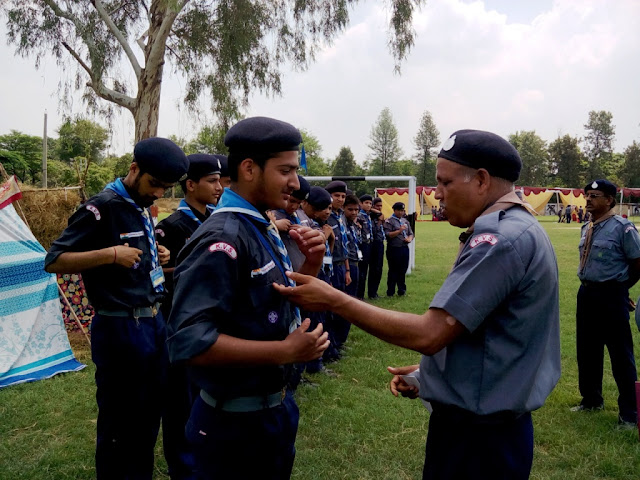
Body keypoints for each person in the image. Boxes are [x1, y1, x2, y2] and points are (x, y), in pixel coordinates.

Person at [275, 129, 561, 480]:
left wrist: (333, 299)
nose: (437, 193)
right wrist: (434, 374)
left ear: (482, 180)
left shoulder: (499, 239)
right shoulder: (518, 228)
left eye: (445, 182)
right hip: (488, 427)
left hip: (479, 437)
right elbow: (492, 334)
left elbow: (430, 333)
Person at [166, 116, 329, 480]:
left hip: (272, 410)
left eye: (295, 170)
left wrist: (312, 264)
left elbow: (276, 303)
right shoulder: (223, 237)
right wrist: (285, 351)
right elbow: (188, 341)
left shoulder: (259, 226)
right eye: (285, 170)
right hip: (234, 425)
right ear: (249, 168)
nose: (295, 182)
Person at [44, 137, 189, 480]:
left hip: (153, 322)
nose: (158, 193)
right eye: (155, 184)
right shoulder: (102, 206)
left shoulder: (140, 204)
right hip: (120, 327)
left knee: (148, 415)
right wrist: (110, 254)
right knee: (120, 422)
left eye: (166, 188)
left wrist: (157, 255)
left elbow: (134, 251)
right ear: (134, 169)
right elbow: (54, 259)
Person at [155, 153, 223, 480]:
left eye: (220, 180)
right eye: (212, 181)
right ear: (191, 185)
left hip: (211, 323)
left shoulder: (216, 220)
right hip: (180, 325)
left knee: (205, 396)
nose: (219, 187)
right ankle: (182, 467)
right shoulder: (170, 226)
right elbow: (157, 275)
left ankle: (203, 456)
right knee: (180, 401)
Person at [572, 179, 640, 428]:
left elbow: (637, 262)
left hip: (611, 296)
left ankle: (629, 413)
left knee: (620, 354)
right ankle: (591, 400)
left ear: (609, 200)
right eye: (587, 195)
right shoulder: (587, 227)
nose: (588, 199)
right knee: (587, 350)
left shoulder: (623, 228)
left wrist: (621, 288)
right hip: (586, 294)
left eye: (595, 196)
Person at [325, 180, 351, 353]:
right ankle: (330, 346)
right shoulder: (325, 215)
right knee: (331, 307)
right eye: (337, 196)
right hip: (331, 266)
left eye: (343, 196)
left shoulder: (341, 216)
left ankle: (339, 342)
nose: (340, 199)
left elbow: (345, 243)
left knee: (342, 305)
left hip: (342, 265)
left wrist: (347, 269)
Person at [273, 175, 311, 272]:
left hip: (301, 268)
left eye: (299, 203)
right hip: (283, 271)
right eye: (292, 201)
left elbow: (316, 229)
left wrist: (307, 231)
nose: (294, 206)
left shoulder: (301, 214)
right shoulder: (272, 214)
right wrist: (274, 225)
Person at [384, 201, 414, 296]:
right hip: (394, 248)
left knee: (402, 269)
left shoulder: (405, 221)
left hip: (404, 247)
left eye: (402, 210)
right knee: (393, 270)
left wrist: (409, 239)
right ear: (394, 210)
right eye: (399, 210)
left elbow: (411, 233)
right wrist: (399, 231)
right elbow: (388, 234)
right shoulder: (389, 221)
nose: (401, 212)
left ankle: (401, 290)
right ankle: (390, 291)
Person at [344, 194, 363, 300]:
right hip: (347, 263)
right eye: (350, 209)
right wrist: (347, 270)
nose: (354, 213)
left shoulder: (353, 225)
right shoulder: (343, 224)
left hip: (355, 261)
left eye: (356, 210)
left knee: (353, 294)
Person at [356, 194, 374, 300]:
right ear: (361, 203)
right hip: (362, 245)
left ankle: (362, 294)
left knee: (366, 270)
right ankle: (359, 295)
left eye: (370, 203)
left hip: (369, 244)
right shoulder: (359, 216)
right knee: (362, 270)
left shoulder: (368, 215)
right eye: (366, 203)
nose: (369, 205)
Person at [367, 197, 385, 299]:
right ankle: (371, 292)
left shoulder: (380, 216)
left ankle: (375, 292)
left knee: (379, 269)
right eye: (377, 206)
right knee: (374, 269)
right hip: (373, 244)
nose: (379, 208)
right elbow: (374, 231)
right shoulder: (371, 216)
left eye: (381, 206)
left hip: (380, 243)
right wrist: (379, 221)